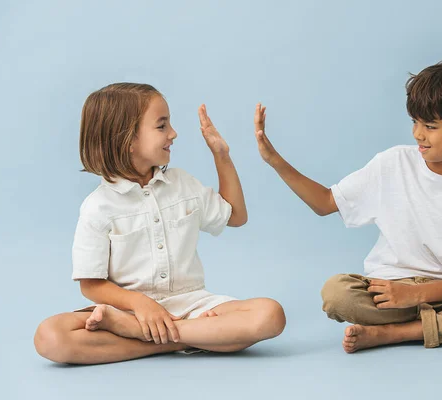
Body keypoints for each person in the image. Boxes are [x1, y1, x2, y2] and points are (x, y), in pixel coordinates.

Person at [254, 60, 442, 353]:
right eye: (415, 122)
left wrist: (415, 295)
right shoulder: (393, 163)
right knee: (337, 293)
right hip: (388, 292)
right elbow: (326, 202)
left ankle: (395, 334)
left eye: (430, 126)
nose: (417, 134)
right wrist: (275, 160)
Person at [34, 83, 285, 364]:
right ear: (127, 140)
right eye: (161, 126)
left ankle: (150, 337)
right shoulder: (97, 208)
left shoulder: (182, 184)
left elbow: (236, 216)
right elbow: (91, 285)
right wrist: (141, 305)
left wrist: (221, 155)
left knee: (270, 314)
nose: (173, 133)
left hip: (193, 306)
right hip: (128, 311)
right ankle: (194, 339)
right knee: (50, 336)